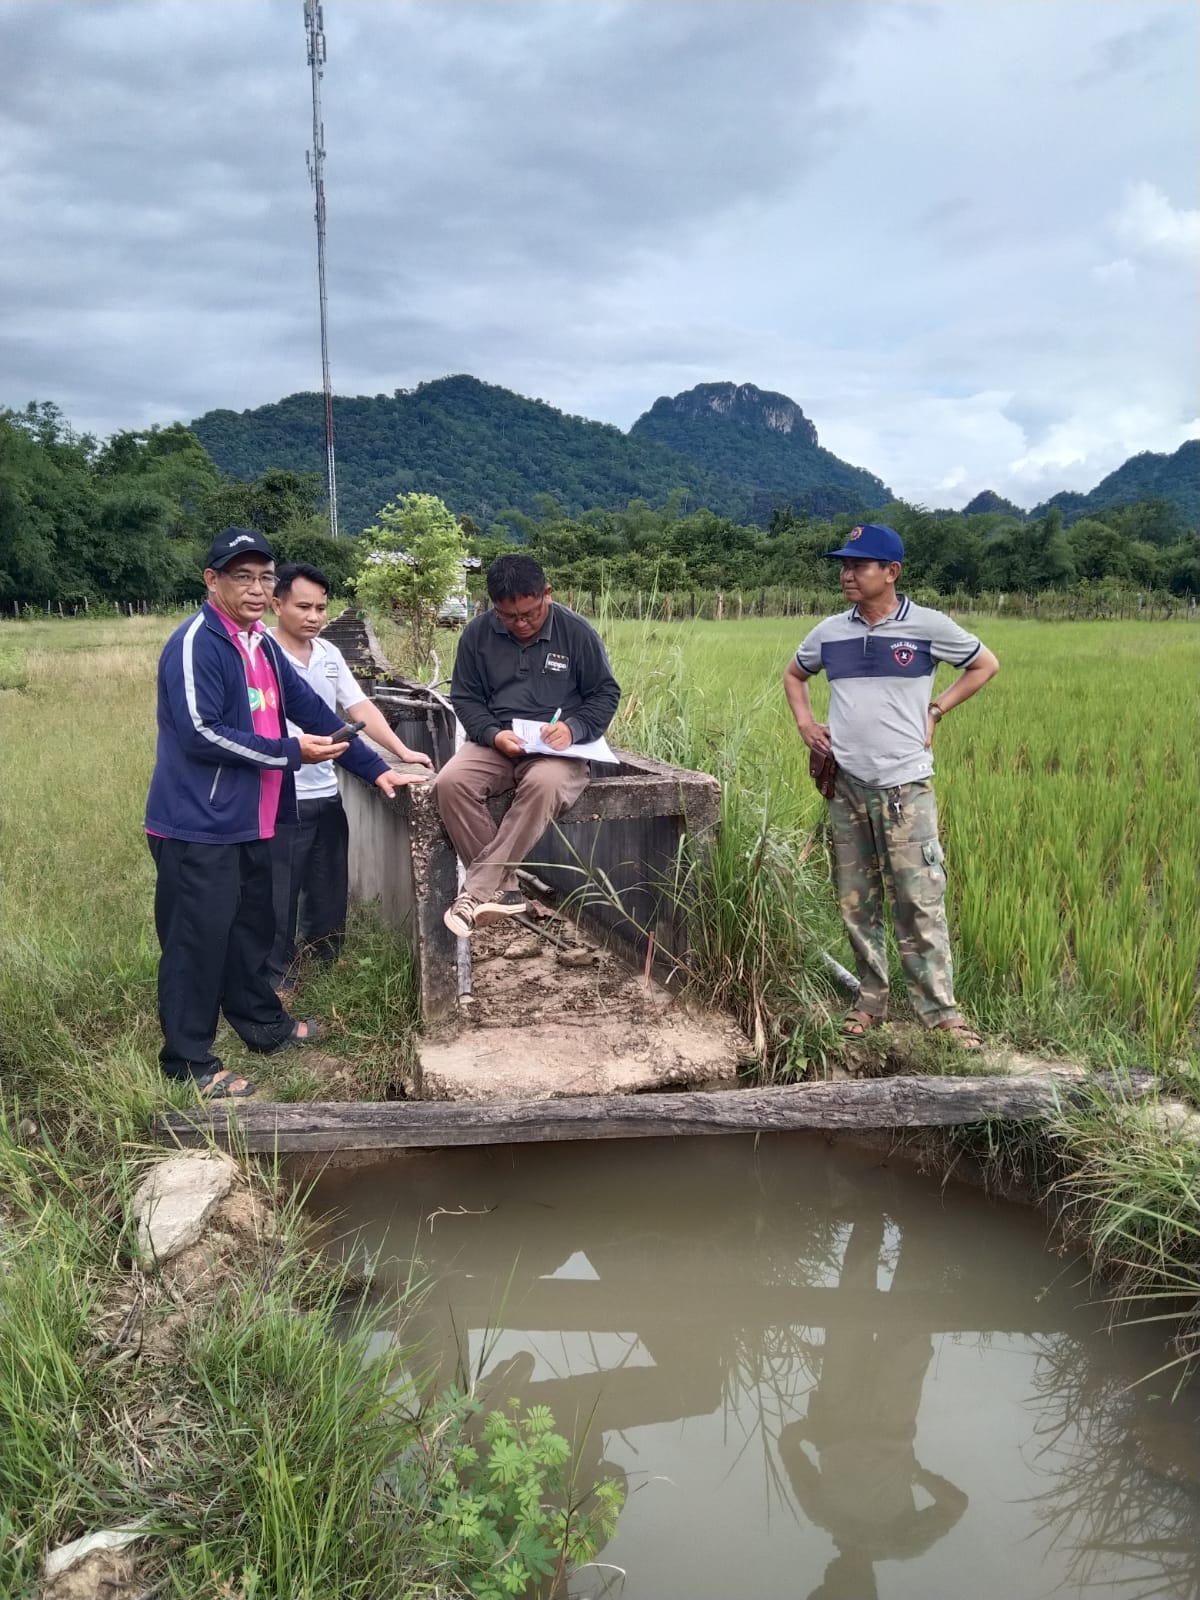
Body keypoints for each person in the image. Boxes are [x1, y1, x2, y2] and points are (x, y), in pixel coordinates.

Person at [144, 528, 412, 1097]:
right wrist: (290, 752)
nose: (256, 588)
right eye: (241, 576)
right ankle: (187, 1062)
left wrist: (376, 767)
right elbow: (200, 733)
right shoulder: (197, 643)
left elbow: (313, 709)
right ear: (211, 580)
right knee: (198, 939)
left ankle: (263, 1025)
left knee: (251, 930)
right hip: (200, 824)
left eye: (264, 577)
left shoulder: (260, 643)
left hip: (257, 817)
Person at [783, 523, 998, 1046]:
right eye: (845, 565)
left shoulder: (927, 626)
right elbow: (794, 675)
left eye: (860, 565)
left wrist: (936, 709)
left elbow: (984, 664)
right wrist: (807, 725)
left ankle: (940, 1012)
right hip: (847, 786)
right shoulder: (829, 632)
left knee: (919, 897)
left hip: (905, 785)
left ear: (892, 572)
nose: (847, 574)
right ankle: (870, 1001)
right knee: (857, 899)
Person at [266, 561, 433, 991]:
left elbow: (360, 709)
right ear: (276, 603)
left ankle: (324, 966)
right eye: (303, 606)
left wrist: (400, 753)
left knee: (328, 883)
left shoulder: (329, 654)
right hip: (280, 793)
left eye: (321, 608)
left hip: (326, 787)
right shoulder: (260, 654)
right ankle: (276, 977)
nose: (314, 617)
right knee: (279, 891)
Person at [436, 553, 621, 937]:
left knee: (544, 784)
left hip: (559, 751)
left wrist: (574, 727)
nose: (520, 624)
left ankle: (478, 892)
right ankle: (502, 891)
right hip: (498, 741)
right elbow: (465, 698)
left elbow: (604, 693)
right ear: (493, 606)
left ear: (547, 594)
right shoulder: (476, 635)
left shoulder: (576, 632)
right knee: (451, 782)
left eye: (530, 614)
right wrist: (491, 733)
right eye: (509, 616)